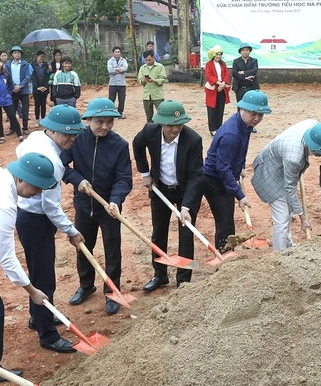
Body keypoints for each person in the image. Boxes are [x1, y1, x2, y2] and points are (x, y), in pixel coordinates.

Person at [0, 154, 56, 381]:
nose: (39, 193)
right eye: (37, 187)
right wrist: (32, 291)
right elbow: (7, 260)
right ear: (21, 179)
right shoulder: (3, 206)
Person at [15, 106, 86, 352]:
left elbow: (18, 151)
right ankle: (48, 335)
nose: (72, 140)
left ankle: (38, 316)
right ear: (53, 130)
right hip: (35, 219)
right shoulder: (53, 163)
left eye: (75, 135)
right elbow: (51, 206)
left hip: (26, 215)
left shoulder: (35, 137)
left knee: (38, 272)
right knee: (44, 278)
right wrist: (72, 231)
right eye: (68, 134)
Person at [61, 98, 133, 315]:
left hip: (108, 207)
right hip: (84, 205)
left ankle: (112, 291)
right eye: (99, 122)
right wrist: (76, 179)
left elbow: (124, 178)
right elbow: (61, 166)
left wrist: (116, 200)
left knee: (112, 250)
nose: (105, 127)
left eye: (109, 122)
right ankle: (86, 285)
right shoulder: (77, 140)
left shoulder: (119, 145)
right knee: (83, 246)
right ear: (89, 119)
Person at [132, 100, 204, 291]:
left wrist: (187, 207)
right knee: (158, 233)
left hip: (184, 190)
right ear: (162, 123)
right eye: (171, 125)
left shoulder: (193, 140)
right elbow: (137, 146)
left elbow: (197, 176)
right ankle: (160, 274)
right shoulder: (149, 131)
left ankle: (183, 281)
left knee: (186, 234)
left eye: (179, 124)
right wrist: (145, 173)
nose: (176, 129)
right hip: (160, 188)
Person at [200, 90, 271, 252]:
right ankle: (224, 255)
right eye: (254, 114)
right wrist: (240, 195)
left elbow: (241, 149)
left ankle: (227, 250)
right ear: (242, 109)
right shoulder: (231, 134)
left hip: (227, 173)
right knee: (225, 220)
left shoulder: (245, 124)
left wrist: (240, 167)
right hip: (213, 180)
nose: (257, 118)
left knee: (227, 218)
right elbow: (222, 168)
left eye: (261, 115)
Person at [252, 121, 321, 251]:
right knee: (281, 218)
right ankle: (279, 255)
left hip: (281, 162)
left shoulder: (314, 126)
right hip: (269, 173)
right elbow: (289, 189)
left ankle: (288, 245)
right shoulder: (294, 158)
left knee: (287, 210)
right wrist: (303, 218)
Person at [203, 45, 230, 135]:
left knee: (220, 108)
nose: (219, 56)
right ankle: (212, 128)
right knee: (211, 109)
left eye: (220, 54)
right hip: (212, 89)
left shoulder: (223, 64)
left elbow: (226, 73)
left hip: (222, 88)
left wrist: (223, 84)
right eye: (217, 54)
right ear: (213, 55)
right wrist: (218, 83)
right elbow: (209, 75)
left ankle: (219, 127)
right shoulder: (208, 64)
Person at [5, 45, 33, 133]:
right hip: (13, 91)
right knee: (12, 110)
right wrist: (14, 86)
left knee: (25, 111)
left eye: (18, 53)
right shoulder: (8, 64)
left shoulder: (25, 64)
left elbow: (27, 76)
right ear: (12, 54)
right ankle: (13, 127)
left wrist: (20, 85)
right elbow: (7, 76)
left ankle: (25, 128)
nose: (17, 54)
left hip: (23, 90)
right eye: (15, 53)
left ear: (21, 54)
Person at [137, 49, 167, 123]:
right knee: (149, 116)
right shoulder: (142, 68)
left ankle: (162, 130)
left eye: (149, 60)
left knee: (162, 114)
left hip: (158, 95)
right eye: (146, 60)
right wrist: (143, 81)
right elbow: (139, 80)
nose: (148, 62)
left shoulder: (160, 67)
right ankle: (151, 131)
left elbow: (163, 79)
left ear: (153, 57)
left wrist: (154, 80)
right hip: (146, 96)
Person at [107, 45, 128, 115]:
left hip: (122, 83)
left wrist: (115, 69)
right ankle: (110, 112)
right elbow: (110, 70)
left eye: (118, 52)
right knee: (111, 99)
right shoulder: (110, 61)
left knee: (121, 99)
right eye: (116, 52)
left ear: (120, 53)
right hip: (112, 84)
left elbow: (125, 68)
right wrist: (120, 69)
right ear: (113, 53)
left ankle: (120, 112)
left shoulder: (124, 60)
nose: (117, 53)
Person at [32, 50, 51, 121]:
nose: (42, 59)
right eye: (41, 57)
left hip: (44, 88)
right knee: (37, 104)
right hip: (36, 89)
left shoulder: (47, 65)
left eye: (43, 57)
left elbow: (48, 76)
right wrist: (38, 87)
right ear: (37, 56)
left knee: (43, 104)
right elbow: (32, 77)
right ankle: (37, 119)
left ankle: (43, 119)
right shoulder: (32, 65)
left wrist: (45, 86)